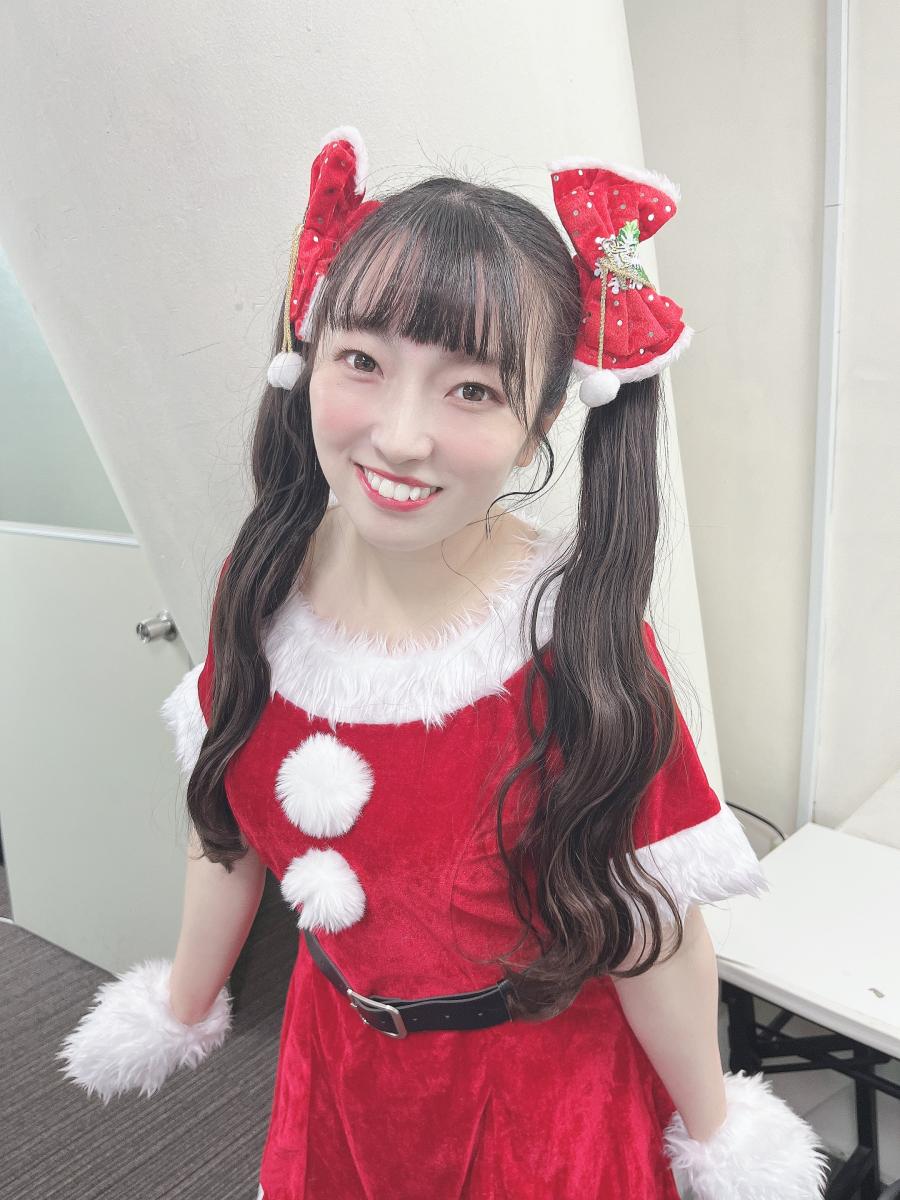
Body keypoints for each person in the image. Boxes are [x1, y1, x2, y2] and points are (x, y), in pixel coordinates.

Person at [57, 126, 829, 1200]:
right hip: (338, 1070)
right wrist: (181, 1003)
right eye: (363, 362)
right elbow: (224, 821)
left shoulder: (573, 646)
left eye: (471, 390)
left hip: (539, 1112)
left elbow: (649, 930)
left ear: (540, 421)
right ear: (307, 356)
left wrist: (716, 1133)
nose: (402, 436)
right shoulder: (261, 582)